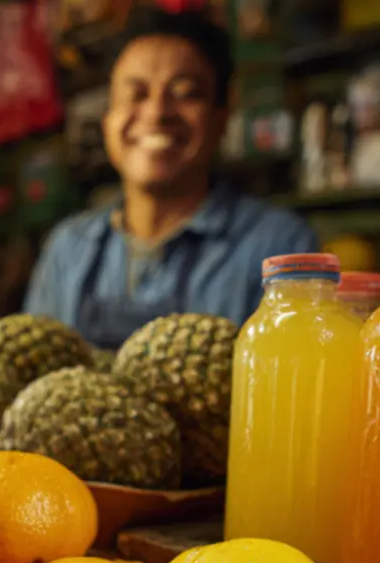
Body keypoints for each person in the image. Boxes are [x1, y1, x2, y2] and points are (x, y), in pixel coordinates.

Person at [24, 9, 317, 348]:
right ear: (108, 118)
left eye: (185, 92)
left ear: (222, 116)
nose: (156, 113)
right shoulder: (68, 249)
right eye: (136, 94)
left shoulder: (279, 248)